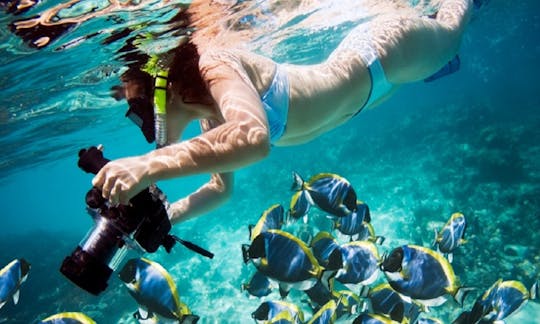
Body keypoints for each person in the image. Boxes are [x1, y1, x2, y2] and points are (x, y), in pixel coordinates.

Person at [92, 0, 476, 224]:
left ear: (164, 91)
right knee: (435, 62)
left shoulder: (214, 63)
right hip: (370, 96)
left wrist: (149, 165)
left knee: (453, 27)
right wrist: (169, 217)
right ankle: (437, 67)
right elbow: (219, 189)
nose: (142, 124)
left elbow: (254, 139)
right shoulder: (212, 119)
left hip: (385, 56)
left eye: (138, 110)